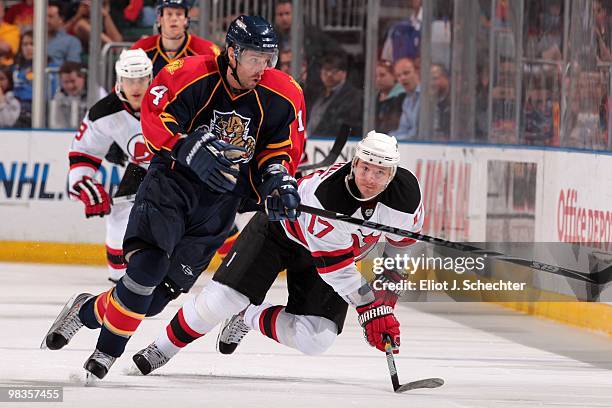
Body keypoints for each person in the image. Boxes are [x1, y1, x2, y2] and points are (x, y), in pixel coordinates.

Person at [43, 15, 306, 381]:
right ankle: (103, 357)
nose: (263, 67)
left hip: (218, 208)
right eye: (254, 58)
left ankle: (85, 311)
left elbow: (278, 150)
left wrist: (277, 180)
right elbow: (153, 115)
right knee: (145, 270)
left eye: (269, 58)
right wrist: (184, 145)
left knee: (150, 304)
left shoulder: (284, 93)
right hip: (170, 188)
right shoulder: (189, 73)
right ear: (232, 53)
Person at [130, 131, 424, 376]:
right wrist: (369, 307)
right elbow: (336, 270)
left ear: (393, 174)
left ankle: (247, 316)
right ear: (355, 163)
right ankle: (162, 347)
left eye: (380, 172)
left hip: (331, 258)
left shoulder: (407, 198)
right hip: (279, 234)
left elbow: (401, 251)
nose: (370, 178)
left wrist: (385, 300)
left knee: (316, 339)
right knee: (221, 300)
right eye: (364, 168)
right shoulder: (326, 196)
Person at [66, 50, 153, 282]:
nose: (136, 86)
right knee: (118, 216)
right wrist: (82, 182)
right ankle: (119, 283)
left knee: (216, 219)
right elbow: (83, 152)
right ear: (119, 80)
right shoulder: (103, 112)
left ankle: (232, 279)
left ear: (150, 78)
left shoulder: (172, 100)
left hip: (181, 168)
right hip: (142, 168)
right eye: (129, 80)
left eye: (141, 79)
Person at [130, 0, 219, 76]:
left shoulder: (207, 51)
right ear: (160, 19)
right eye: (169, 14)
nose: (174, 19)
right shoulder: (140, 49)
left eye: (179, 14)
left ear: (186, 19)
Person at [307, 53, 363, 138]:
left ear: (344, 73)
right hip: (310, 143)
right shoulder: (317, 93)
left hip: (333, 143)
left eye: (334, 71)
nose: (329, 74)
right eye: (326, 70)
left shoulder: (353, 96)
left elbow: (344, 125)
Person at [391, 58, 420, 140]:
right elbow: (403, 129)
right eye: (399, 76)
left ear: (417, 72)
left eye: (406, 73)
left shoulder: (427, 97)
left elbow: (417, 133)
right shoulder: (407, 100)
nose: (402, 78)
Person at [47, 1, 83, 67]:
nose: (46, 20)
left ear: (61, 19)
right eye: (44, 16)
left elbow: (73, 68)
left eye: (50, 17)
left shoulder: (72, 41)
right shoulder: (32, 39)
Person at [375, 59, 405, 134]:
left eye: (382, 75)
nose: (378, 79)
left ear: (394, 76)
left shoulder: (402, 97)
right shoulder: (376, 97)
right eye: (376, 76)